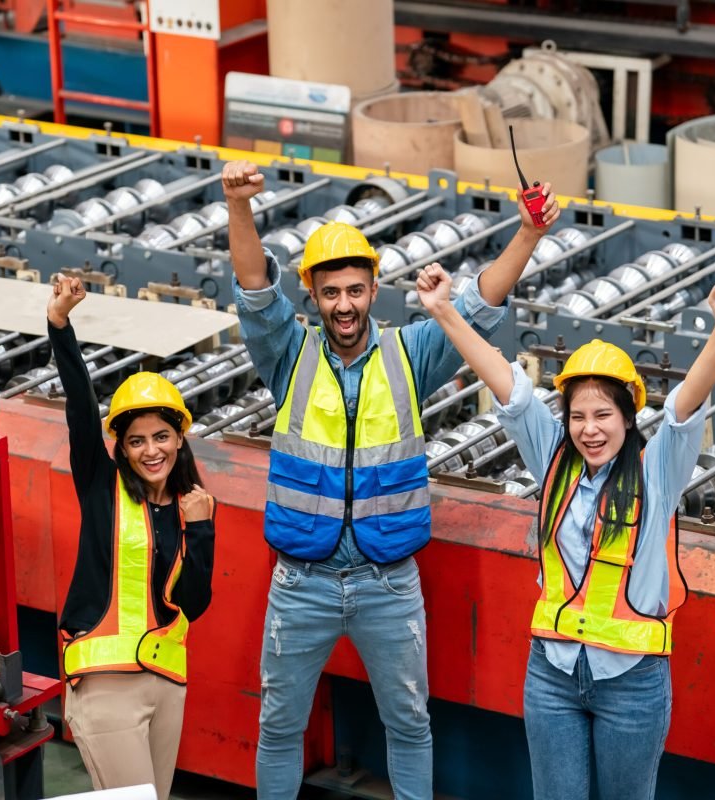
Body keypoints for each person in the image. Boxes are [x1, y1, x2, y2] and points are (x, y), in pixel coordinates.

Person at [222, 159, 560, 799]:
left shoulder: (412, 354)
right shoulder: (285, 354)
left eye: (355, 289)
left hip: (388, 584)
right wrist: (239, 206)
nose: (343, 304)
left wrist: (528, 234)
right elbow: (254, 291)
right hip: (302, 583)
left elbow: (479, 305)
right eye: (330, 292)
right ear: (314, 297)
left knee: (409, 725)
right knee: (278, 725)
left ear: (373, 290)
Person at [417, 262, 715, 800]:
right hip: (553, 674)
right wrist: (446, 312)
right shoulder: (553, 459)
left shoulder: (657, 469)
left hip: (632, 682)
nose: (589, 430)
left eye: (604, 415)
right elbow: (510, 389)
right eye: (578, 416)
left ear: (629, 416)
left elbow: (684, 410)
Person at [47, 275, 216, 800]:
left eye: (161, 437)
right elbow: (80, 406)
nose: (150, 451)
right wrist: (59, 323)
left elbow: (196, 603)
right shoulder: (101, 486)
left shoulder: (194, 505)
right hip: (104, 683)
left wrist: (203, 530)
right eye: (136, 440)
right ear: (119, 446)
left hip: (165, 683)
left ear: (180, 436)